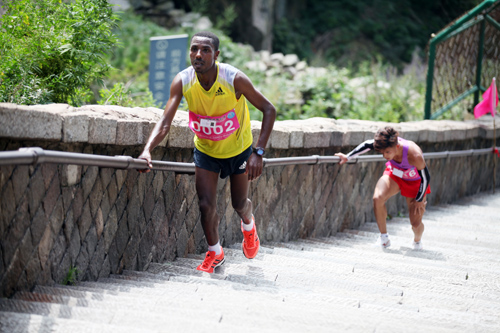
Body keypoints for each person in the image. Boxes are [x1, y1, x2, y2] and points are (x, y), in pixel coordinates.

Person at [138, 31, 276, 273]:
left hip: (238, 150)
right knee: (205, 204)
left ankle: (249, 225)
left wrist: (258, 152)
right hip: (206, 150)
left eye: (205, 50)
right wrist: (147, 150)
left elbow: (269, 109)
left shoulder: (234, 79)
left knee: (239, 203)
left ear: (216, 54)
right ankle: (215, 252)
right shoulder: (182, 80)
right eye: (194, 49)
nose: (198, 55)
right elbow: (165, 122)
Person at [335, 126, 431, 250]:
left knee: (415, 223)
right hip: (395, 175)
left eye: (387, 152)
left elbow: (426, 177)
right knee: (378, 198)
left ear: (397, 147)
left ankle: (417, 241)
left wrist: (419, 199)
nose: (385, 156)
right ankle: (384, 238)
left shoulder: (414, 154)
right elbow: (367, 144)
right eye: (382, 152)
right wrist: (348, 156)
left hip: (416, 182)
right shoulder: (385, 145)